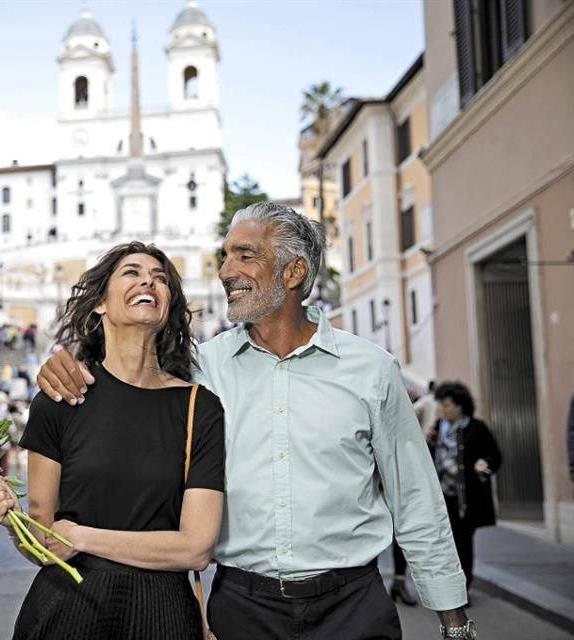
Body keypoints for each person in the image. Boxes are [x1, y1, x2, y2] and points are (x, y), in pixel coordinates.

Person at [35, 203, 475, 640]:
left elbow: (416, 498)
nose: (226, 271)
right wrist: (70, 363)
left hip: (353, 609)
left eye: (245, 255)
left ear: (293, 272)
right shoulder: (200, 370)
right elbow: (130, 373)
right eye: (225, 256)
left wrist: (455, 626)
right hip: (242, 611)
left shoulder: (371, 370)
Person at [0, 242, 225, 640]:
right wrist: (9, 517)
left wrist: (82, 537)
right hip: (65, 612)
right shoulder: (57, 401)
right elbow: (43, 544)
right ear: (99, 304)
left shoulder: (200, 408)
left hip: (163, 617)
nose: (148, 280)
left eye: (160, 278)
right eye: (131, 272)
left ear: (167, 306)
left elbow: (195, 548)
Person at [427, 381, 502, 598]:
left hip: (465, 499)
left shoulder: (476, 428)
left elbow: (495, 456)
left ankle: (462, 589)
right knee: (442, 546)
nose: (443, 409)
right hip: (441, 497)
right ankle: (445, 588)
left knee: (462, 544)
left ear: (461, 405)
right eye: (441, 405)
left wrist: (484, 464)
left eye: (447, 405)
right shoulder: (437, 429)